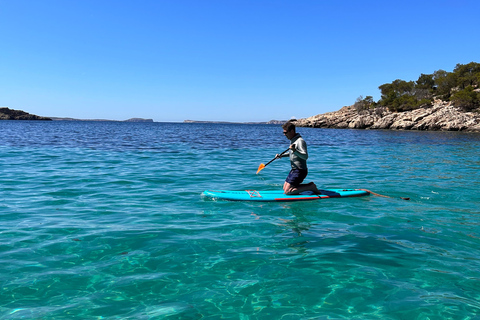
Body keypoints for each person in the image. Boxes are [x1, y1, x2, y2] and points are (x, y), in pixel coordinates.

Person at [276, 121, 320, 195]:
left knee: (287, 191)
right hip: (294, 170)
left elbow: (305, 156)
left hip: (300, 171)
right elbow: (292, 153)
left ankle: (311, 187)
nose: (284, 135)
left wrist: (294, 150)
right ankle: (306, 187)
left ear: (292, 131)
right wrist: (281, 155)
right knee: (285, 188)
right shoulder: (293, 140)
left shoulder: (300, 141)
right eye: (283, 133)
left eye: (285, 132)